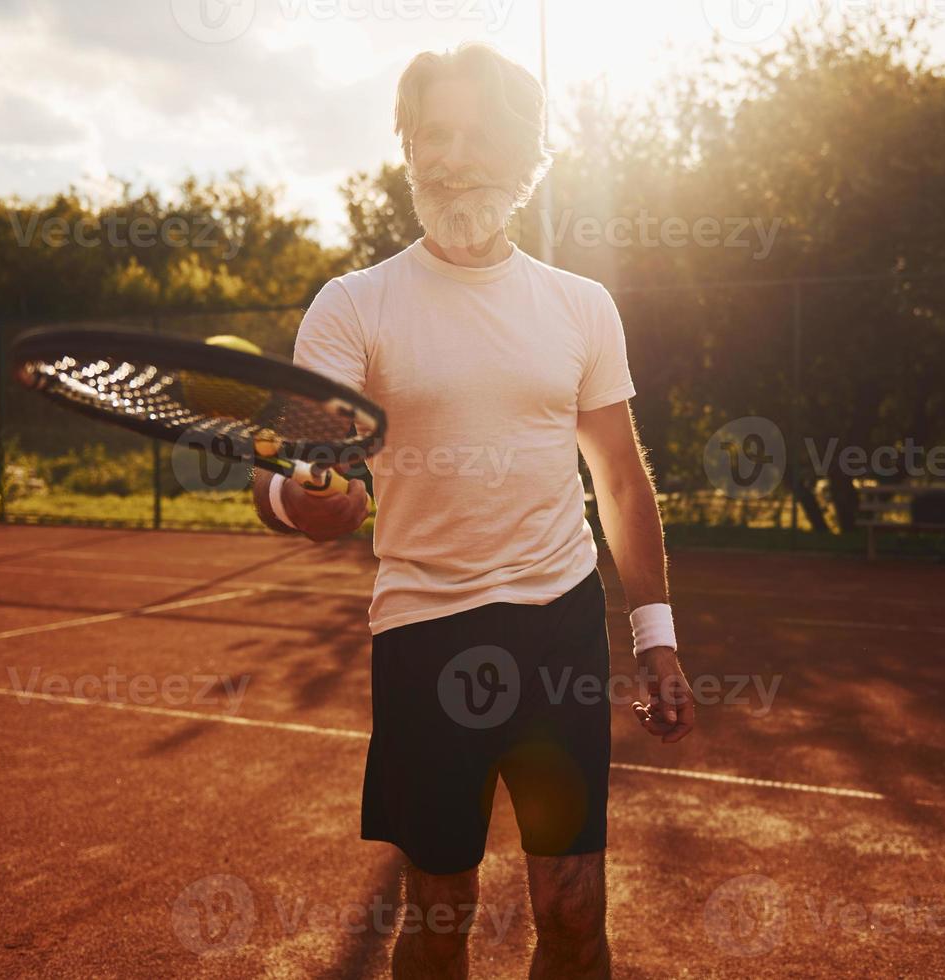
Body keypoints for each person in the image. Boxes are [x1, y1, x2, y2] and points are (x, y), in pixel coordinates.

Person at [251, 42, 693, 980]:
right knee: (440, 912)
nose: (452, 156)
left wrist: (655, 633)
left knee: (573, 911)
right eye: (432, 135)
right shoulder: (352, 306)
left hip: (560, 630)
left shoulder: (581, 306)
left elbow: (618, 475)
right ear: (407, 150)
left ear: (528, 153)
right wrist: (303, 501)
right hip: (424, 634)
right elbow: (290, 473)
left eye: (478, 135)